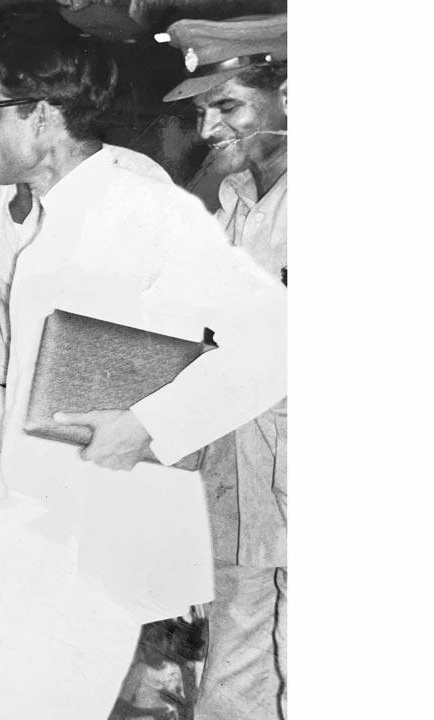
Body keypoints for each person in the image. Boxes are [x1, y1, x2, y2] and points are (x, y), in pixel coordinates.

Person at [0, 33, 287, 719]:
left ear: (41, 115)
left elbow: (280, 339)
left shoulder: (141, 211)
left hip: (90, 543)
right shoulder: (39, 217)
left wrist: (150, 426)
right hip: (24, 533)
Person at [161, 14, 288, 720]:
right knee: (231, 687)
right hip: (243, 486)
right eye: (204, 110)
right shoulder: (234, 204)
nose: (209, 128)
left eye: (228, 105)